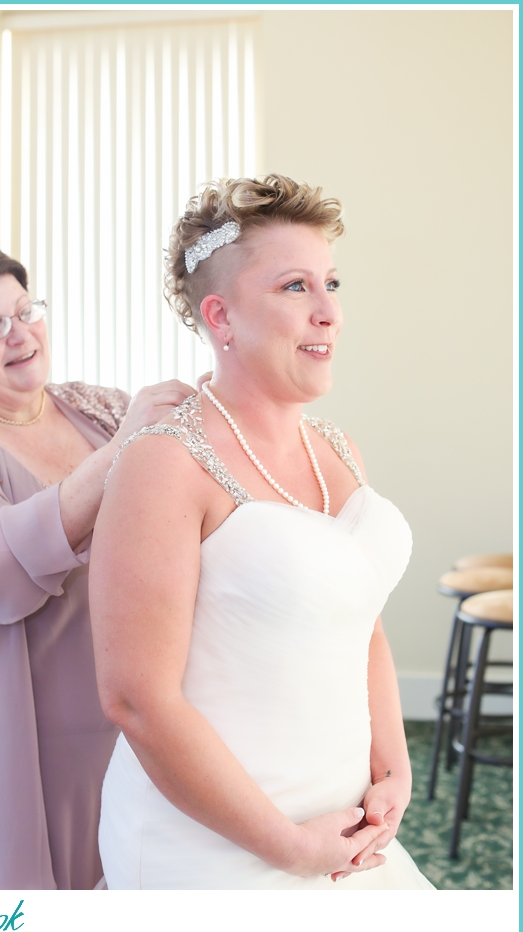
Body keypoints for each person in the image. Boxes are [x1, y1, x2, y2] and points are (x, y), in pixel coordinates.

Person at [90, 174, 434, 888]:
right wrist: (289, 849)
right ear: (222, 317)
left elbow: (361, 621)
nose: (328, 312)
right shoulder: (163, 464)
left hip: (345, 826)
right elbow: (135, 697)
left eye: (331, 284)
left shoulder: (338, 449)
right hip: (217, 847)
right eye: (294, 288)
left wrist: (392, 767)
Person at [0, 241, 199, 889]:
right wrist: (124, 454)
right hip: (37, 735)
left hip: (143, 707)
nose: (19, 335)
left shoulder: (99, 408)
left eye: (25, 311)